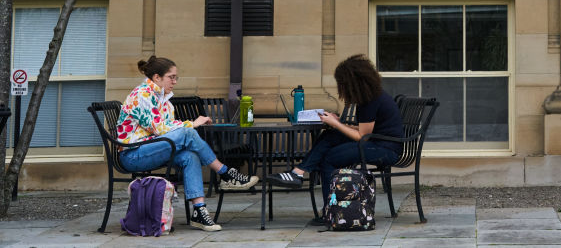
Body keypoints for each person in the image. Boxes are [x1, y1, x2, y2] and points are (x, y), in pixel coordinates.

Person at [117, 56, 259, 231]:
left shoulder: (164, 100)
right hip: (132, 154)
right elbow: (160, 128)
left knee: (190, 156)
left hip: (152, 148)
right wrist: (191, 123)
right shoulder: (142, 95)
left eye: (176, 77)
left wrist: (189, 125)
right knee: (188, 132)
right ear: (156, 77)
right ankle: (225, 173)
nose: (175, 81)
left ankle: (199, 211)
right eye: (171, 77)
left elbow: (168, 129)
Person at [266, 54, 402, 203]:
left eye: (342, 84)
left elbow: (362, 136)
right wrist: (338, 123)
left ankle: (329, 210)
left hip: (386, 150)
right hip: (377, 143)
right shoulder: (370, 97)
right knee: (331, 135)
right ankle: (298, 173)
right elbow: (365, 130)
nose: (340, 88)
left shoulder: (370, 101)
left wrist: (337, 123)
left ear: (352, 83)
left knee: (329, 158)